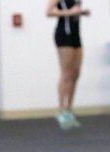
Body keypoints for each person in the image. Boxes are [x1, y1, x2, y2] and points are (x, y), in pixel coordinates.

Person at [47, 0, 90, 130]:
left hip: (76, 35)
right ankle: (61, 110)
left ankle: (69, 109)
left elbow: (74, 12)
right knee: (66, 73)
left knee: (76, 73)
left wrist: (82, 13)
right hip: (63, 35)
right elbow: (49, 12)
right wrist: (69, 12)